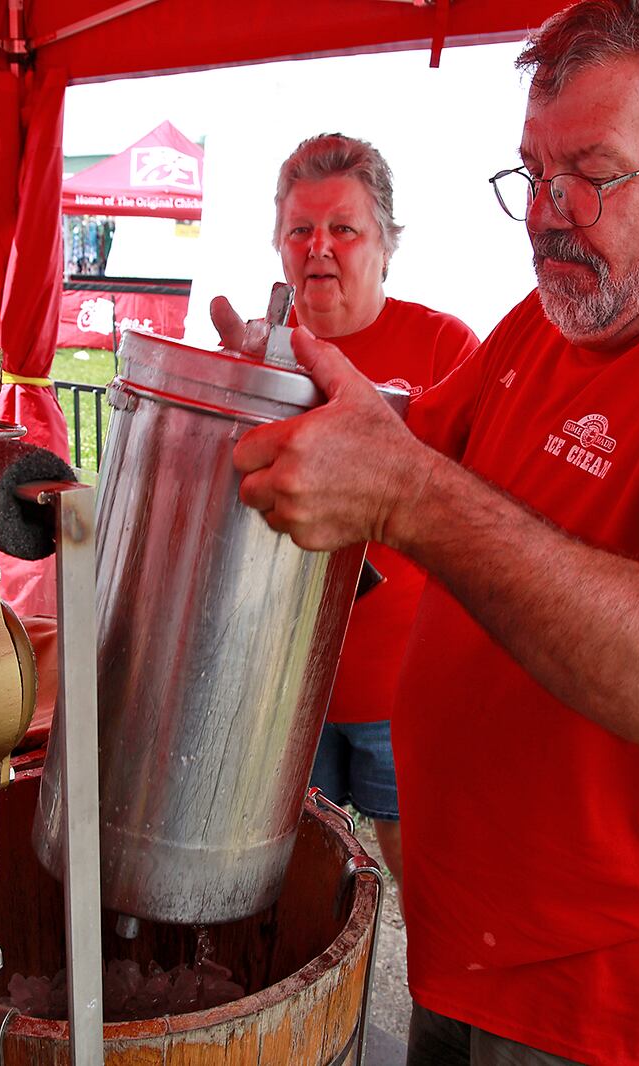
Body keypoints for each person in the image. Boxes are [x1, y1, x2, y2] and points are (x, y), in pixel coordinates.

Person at [220, 2, 639, 1063]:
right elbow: (415, 440)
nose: (543, 213)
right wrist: (282, 394)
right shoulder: (550, 320)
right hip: (470, 937)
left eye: (591, 175)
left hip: (612, 998)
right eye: (531, 170)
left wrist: (409, 499)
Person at [218, 133, 479, 885]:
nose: (319, 248)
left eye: (344, 229)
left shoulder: (446, 346)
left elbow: (487, 501)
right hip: (278, 680)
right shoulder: (259, 353)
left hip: (398, 687)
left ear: (387, 245)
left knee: (417, 870)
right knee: (293, 867)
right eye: (300, 229)